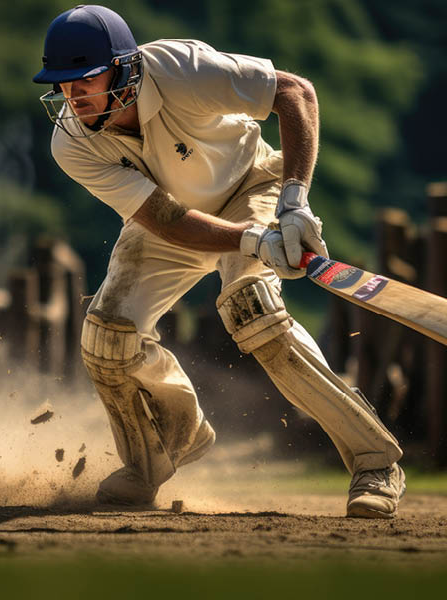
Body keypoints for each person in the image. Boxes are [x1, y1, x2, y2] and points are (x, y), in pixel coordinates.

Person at [32, 5, 405, 518]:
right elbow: (164, 218)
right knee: (107, 338)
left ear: (122, 68)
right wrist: (253, 242)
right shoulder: (70, 144)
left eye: (84, 81)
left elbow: (294, 93)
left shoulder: (180, 69)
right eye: (63, 86)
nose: (72, 98)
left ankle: (376, 461)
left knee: (253, 309)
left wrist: (294, 202)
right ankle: (161, 450)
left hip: (251, 183)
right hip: (173, 216)